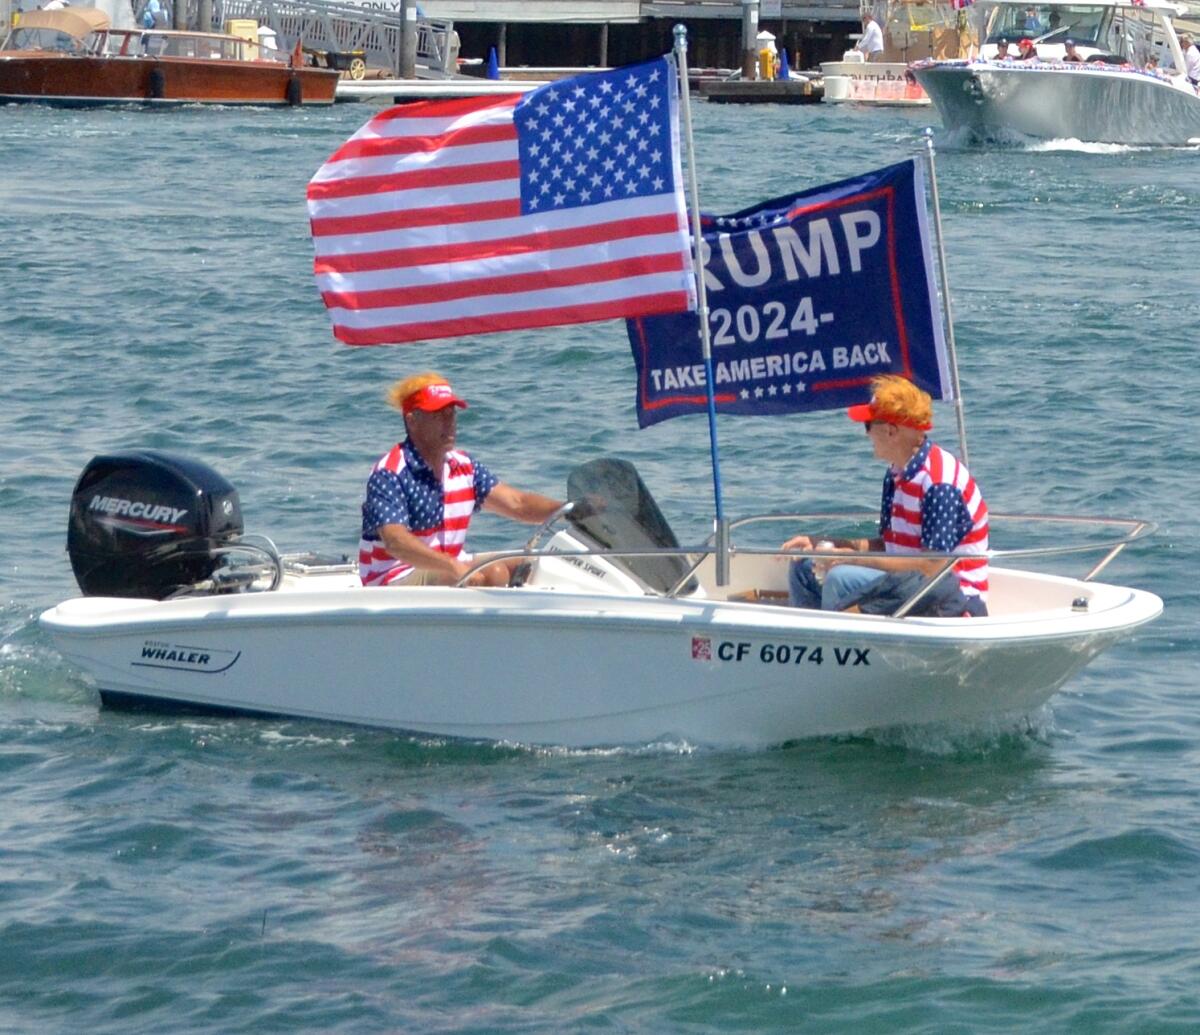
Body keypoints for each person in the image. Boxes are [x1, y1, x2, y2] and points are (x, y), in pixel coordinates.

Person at [781, 375, 990, 618]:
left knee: (840, 577)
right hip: (906, 579)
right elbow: (889, 545)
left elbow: (933, 566)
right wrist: (829, 545)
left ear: (891, 431)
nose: (865, 435)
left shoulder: (939, 483)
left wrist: (854, 561)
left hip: (949, 595)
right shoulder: (896, 473)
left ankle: (840, 647)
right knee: (804, 565)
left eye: (867, 426)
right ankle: (811, 640)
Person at [359, 372, 565, 588]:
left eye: (451, 413)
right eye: (438, 415)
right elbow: (396, 542)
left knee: (533, 566)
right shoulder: (389, 473)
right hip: (393, 580)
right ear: (412, 421)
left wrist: (570, 510)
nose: (449, 423)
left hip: (448, 566)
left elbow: (518, 503)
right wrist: (452, 565)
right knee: (490, 574)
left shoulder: (463, 466)